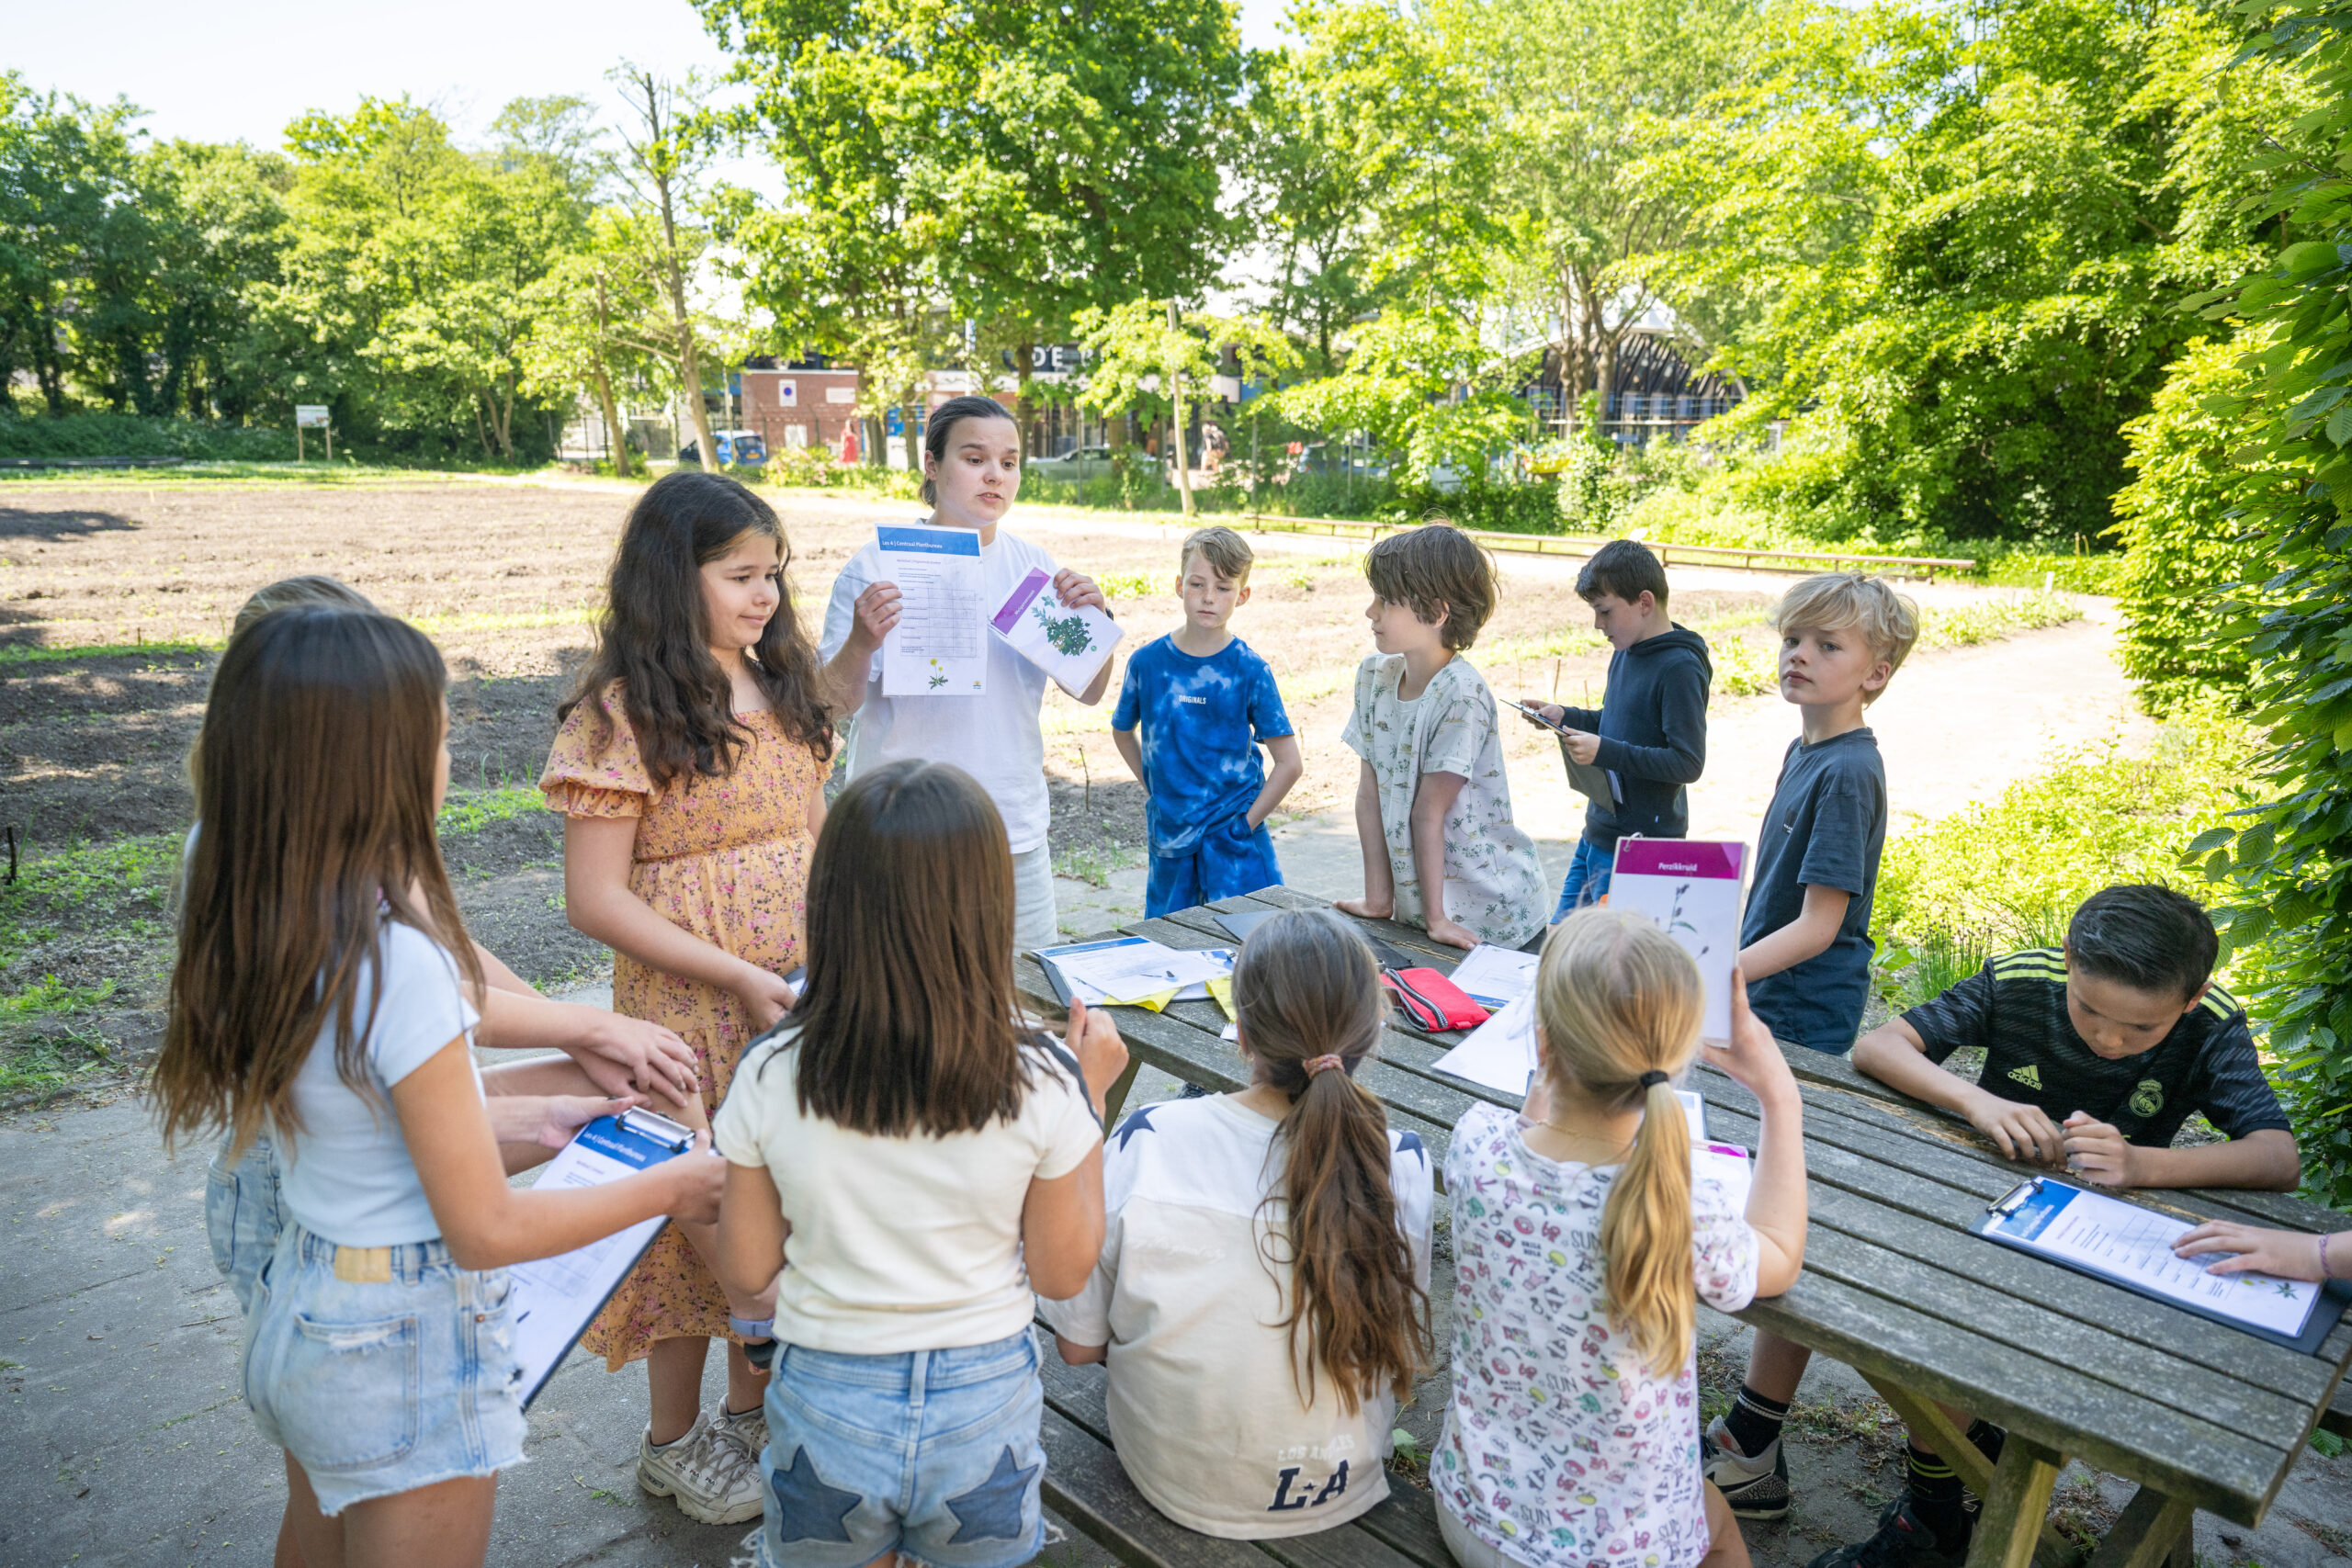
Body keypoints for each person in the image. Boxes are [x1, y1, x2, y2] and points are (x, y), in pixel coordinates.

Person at [152, 604, 724, 1568]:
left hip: (310, 1303)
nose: (448, 754)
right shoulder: (398, 963)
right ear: (379, 759)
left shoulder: (270, 912)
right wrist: (674, 1186)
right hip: (402, 1338)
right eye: (441, 732)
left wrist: (552, 1115)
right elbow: (486, 1229)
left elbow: (375, 1135)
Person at [202, 576, 701, 1323]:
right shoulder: (292, 883)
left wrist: (586, 1030)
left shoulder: (323, 845)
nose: (442, 758)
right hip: (342, 1229)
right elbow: (428, 987)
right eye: (426, 733)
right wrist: (588, 1030)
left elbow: (447, 951)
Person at [1782, 885, 2301, 1568]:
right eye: (2088, 1009)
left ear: (2192, 998)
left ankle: (1938, 1509)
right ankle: (1939, 1506)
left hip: (2103, 1247)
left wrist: (2142, 1162)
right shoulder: (2025, 979)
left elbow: (2277, 1155)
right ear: (2068, 959)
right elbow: (1879, 1047)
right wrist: (1976, 1100)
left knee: (1958, 1339)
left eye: (2142, 1029)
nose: (2110, 1038)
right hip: (1981, 1210)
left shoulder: (2214, 1025)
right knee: (1912, 1307)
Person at [711, 759, 1125, 1568]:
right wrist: (1091, 1106)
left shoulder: (771, 1068)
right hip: (984, 1402)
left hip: (828, 1394)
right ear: (987, 908)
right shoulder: (1042, 1074)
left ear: (829, 903)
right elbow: (1064, 1270)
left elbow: (749, 1266)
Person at [542, 470, 836, 1525]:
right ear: (676, 578)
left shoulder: (784, 680)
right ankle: (674, 1441)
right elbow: (593, 898)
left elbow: (808, 836)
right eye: (739, 576)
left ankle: (754, 1416)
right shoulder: (622, 713)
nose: (765, 596)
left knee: (779, 1204)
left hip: (796, 996)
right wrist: (736, 974)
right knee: (686, 1210)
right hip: (688, 1006)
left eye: (773, 574)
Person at [1036, 908, 1433, 1537]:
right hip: (1344, 1478)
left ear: (1241, 1032)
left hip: (1176, 1476)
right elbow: (1399, 1352)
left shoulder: (1152, 1138)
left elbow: (1078, 1344)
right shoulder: (1404, 1159)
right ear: (1374, 1030)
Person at [1436, 910, 1807, 1568]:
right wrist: (1780, 1096)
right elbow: (1778, 1254)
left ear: (1543, 1044)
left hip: (1471, 1514)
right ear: (1681, 1051)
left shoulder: (1477, 1143)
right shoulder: (1677, 1201)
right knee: (1717, 1524)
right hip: (1615, 1552)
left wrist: (1578, 969)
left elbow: (1538, 1107)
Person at [1705, 571, 1917, 1526]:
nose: (1799, 654)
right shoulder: (1810, 751)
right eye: (1793, 638)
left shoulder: (1849, 771)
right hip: (1766, 999)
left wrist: (1717, 976)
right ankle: (1754, 1433)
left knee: (1778, 1218)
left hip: (1801, 1019)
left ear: (1875, 673)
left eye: (1827, 646)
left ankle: (1753, 1444)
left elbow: (1821, 925)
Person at [818, 395, 1114, 953]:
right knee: (903, 1009)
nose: (995, 476)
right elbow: (826, 711)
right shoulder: (877, 566)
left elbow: (1092, 689)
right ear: (932, 465)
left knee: (1020, 1003)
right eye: (974, 459)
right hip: (900, 833)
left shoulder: (1037, 570)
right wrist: (861, 641)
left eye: (1009, 461)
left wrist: (1095, 625)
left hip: (1011, 829)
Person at [1336, 521, 1547, 951]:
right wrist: (1380, 900)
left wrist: (1436, 919)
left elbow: (1427, 813)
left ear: (1435, 612)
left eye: (1386, 601)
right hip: (1426, 917)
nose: (1370, 611)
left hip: (1488, 918)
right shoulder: (1372, 678)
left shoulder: (1461, 694)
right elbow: (1369, 794)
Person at [1110, 525, 1303, 918]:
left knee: (1254, 946)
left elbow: (1290, 763)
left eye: (1223, 587)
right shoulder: (1147, 664)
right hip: (1171, 836)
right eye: (1198, 584)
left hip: (1235, 843)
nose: (1208, 598)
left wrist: (1245, 825)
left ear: (1242, 595)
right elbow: (1121, 730)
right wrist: (1156, 789)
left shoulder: (1249, 670)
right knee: (1169, 941)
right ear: (1179, 585)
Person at [1517, 539, 1712, 919]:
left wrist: (1603, 749)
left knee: (1606, 966)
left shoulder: (1680, 668)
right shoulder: (1625, 652)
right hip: (1599, 833)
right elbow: (1618, 721)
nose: (1597, 624)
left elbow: (1688, 762)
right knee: (1562, 941)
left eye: (1604, 611)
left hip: (1641, 847)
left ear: (1644, 602)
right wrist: (1564, 717)